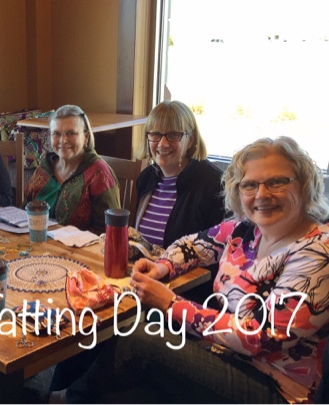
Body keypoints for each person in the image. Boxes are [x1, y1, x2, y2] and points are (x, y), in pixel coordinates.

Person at [50, 136, 329, 403]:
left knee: (139, 339)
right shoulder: (245, 229)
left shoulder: (317, 252)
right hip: (223, 355)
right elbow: (191, 245)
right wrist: (162, 266)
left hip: (276, 388)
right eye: (250, 185)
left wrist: (170, 303)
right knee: (112, 377)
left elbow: (260, 336)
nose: (262, 194)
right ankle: (61, 395)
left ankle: (61, 399)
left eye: (277, 182)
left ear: (304, 184)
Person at [134, 100, 225, 248]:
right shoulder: (145, 178)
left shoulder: (214, 184)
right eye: (155, 134)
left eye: (173, 135)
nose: (162, 144)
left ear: (190, 140)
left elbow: (218, 249)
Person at [24, 104, 120, 234]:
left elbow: (110, 231)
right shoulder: (45, 167)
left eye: (71, 133)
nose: (63, 140)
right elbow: (24, 211)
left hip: (81, 247)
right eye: (56, 134)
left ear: (86, 137)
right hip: (37, 243)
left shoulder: (100, 174)